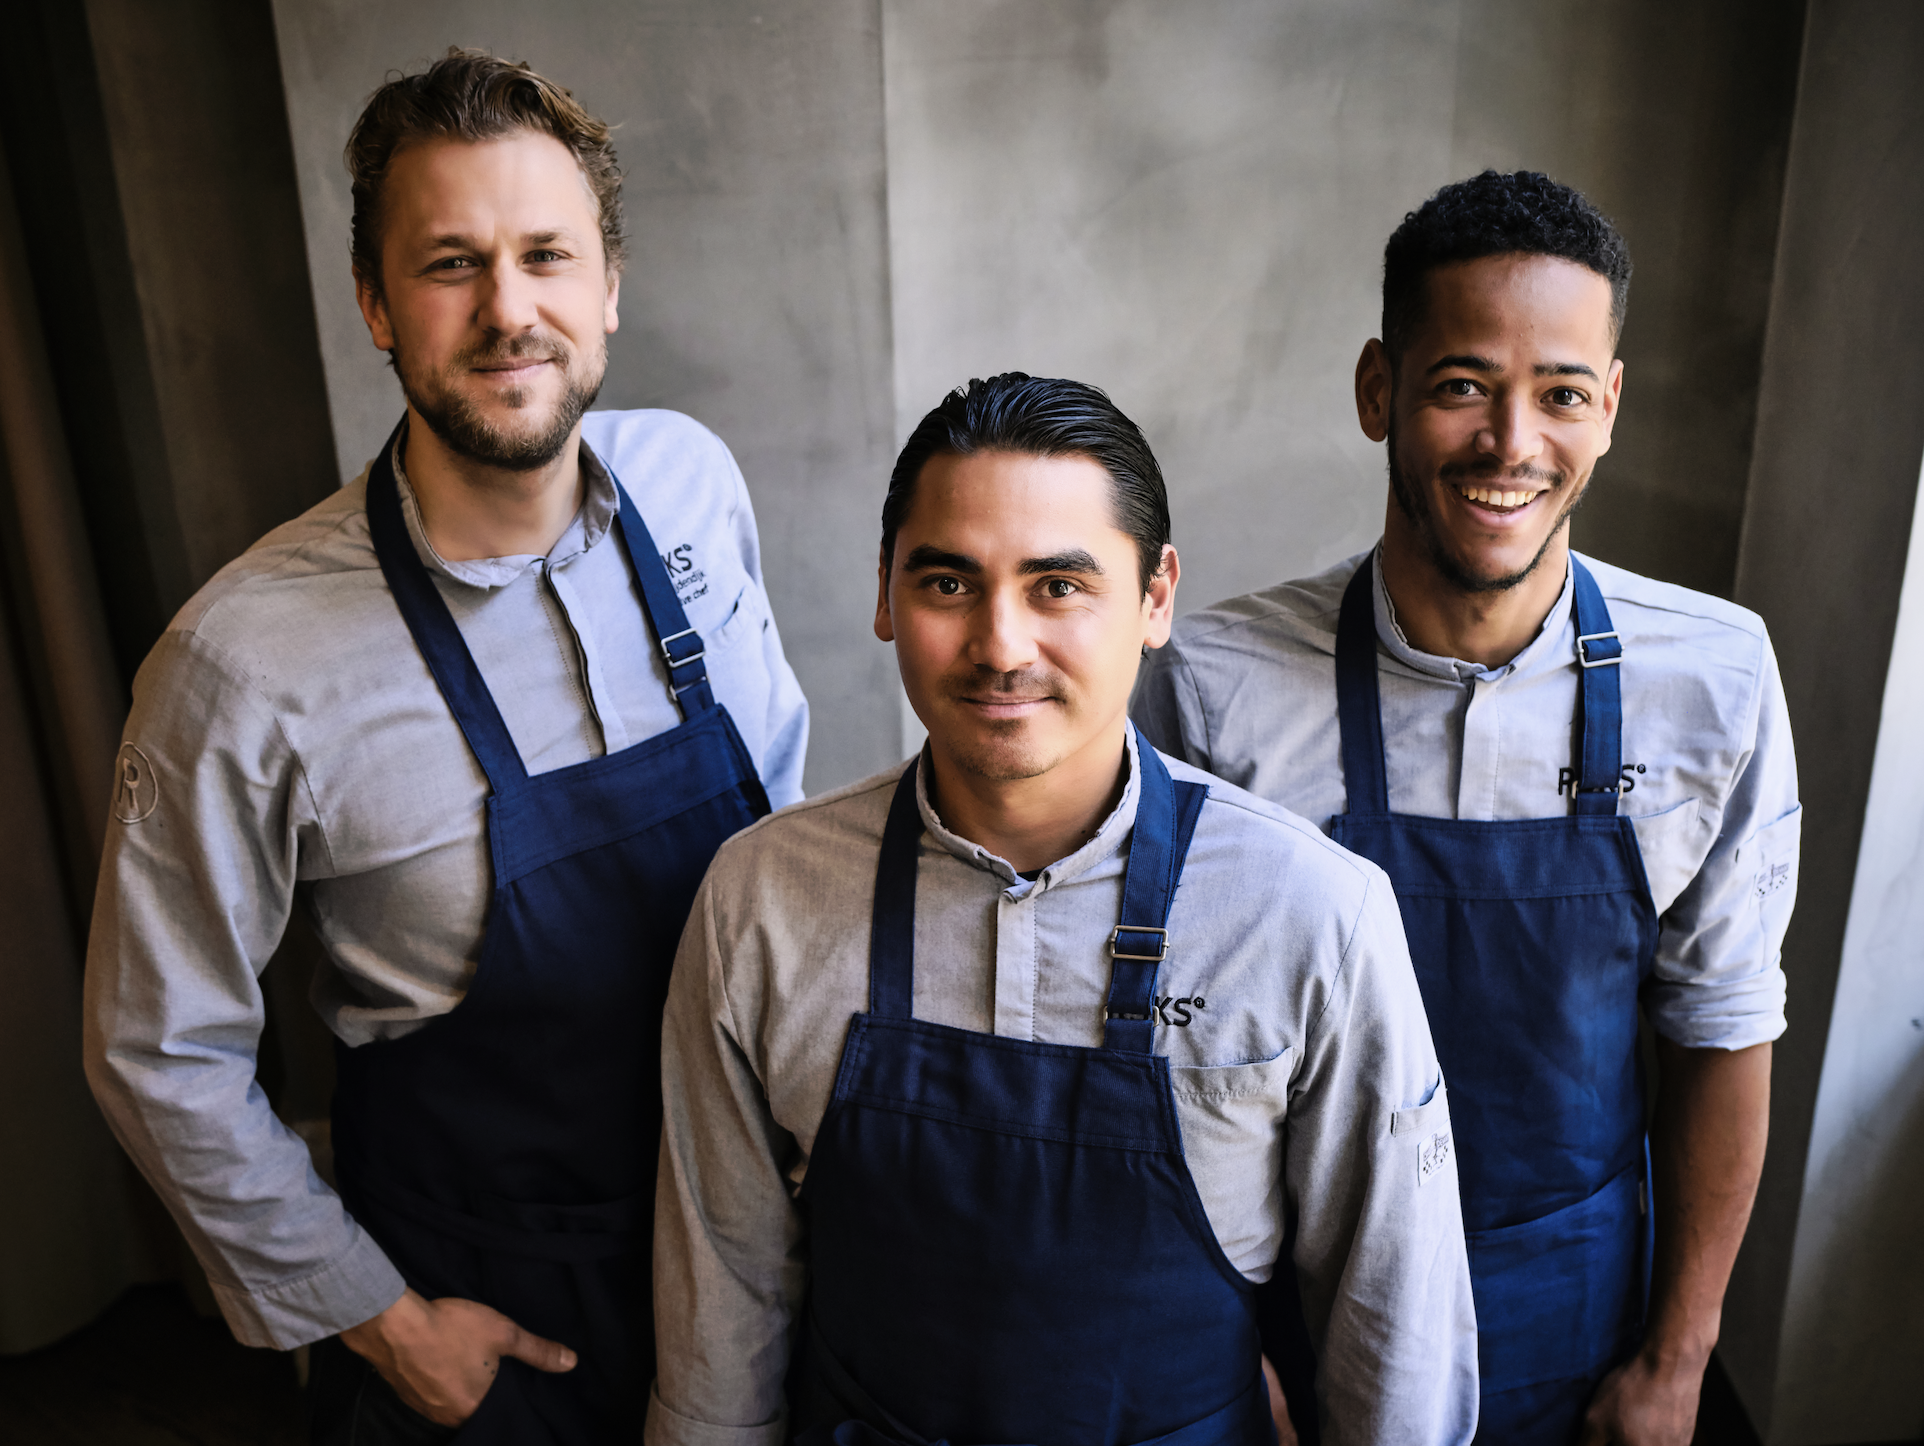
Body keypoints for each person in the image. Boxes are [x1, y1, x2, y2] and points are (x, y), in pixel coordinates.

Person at [83, 49, 807, 1445]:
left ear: (609, 285)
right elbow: (154, 1046)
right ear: (375, 302)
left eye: (547, 255)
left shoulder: (691, 484)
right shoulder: (240, 662)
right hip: (492, 1320)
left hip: (751, 1244)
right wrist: (386, 1323)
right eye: (449, 264)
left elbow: (775, 817)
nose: (508, 310)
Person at [650, 372, 1477, 1446]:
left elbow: (1397, 1344)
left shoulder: (1311, 914)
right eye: (948, 584)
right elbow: (723, 1315)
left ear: (1155, 596)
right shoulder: (760, 900)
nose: (999, 646)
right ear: (884, 594)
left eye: (1057, 586)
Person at [1134, 171, 1800, 1446]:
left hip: (1576, 1324)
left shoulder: (1713, 677)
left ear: (1606, 409)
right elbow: (1161, 1063)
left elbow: (1723, 1033)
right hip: (1292, 1322)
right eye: (1460, 386)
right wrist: (1219, 1351)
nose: (1510, 443)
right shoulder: (1211, 686)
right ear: (1378, 389)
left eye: (1559, 393)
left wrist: (1675, 1364)